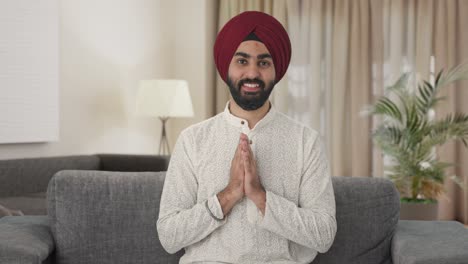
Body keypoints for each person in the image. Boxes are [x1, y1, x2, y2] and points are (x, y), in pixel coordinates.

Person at [157, 11, 336, 264]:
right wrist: (229, 195)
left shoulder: (306, 141)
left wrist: (260, 197)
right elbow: (169, 236)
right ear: (226, 67)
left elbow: (324, 235)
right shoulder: (192, 140)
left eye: (263, 63)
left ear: (276, 70)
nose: (252, 73)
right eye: (242, 61)